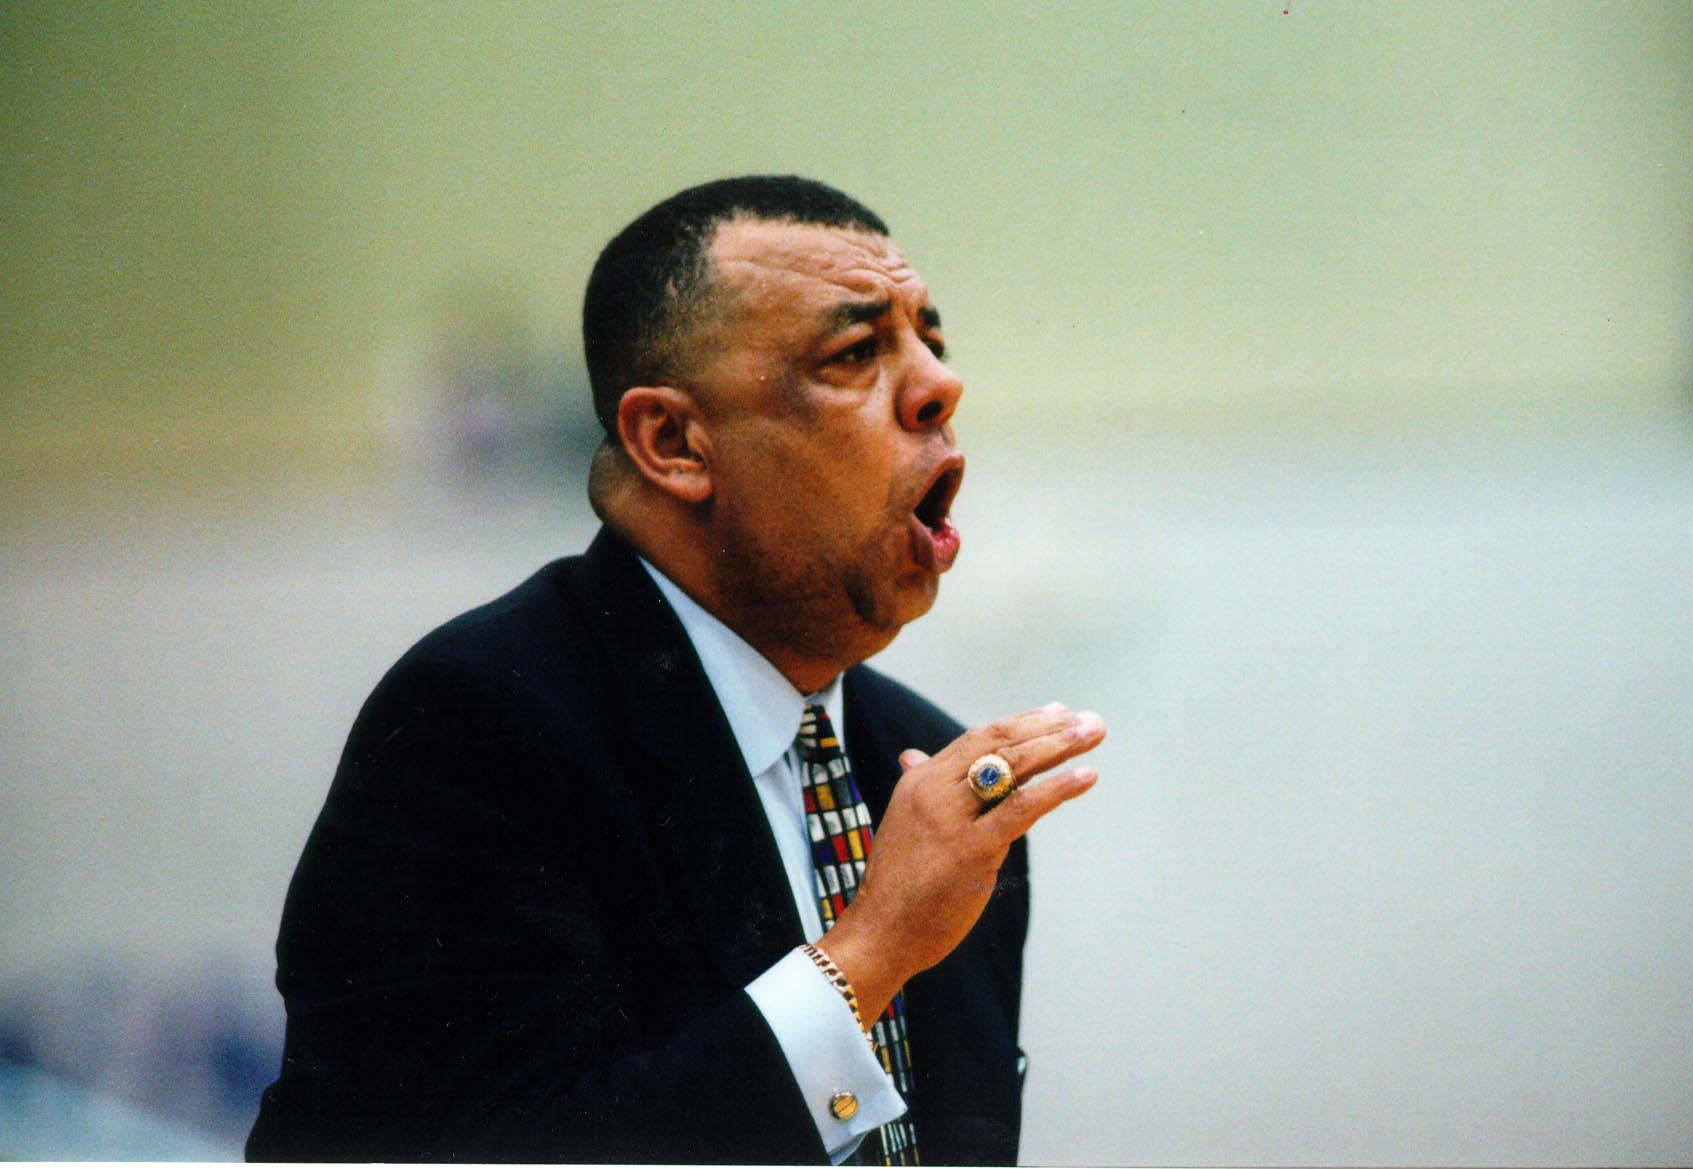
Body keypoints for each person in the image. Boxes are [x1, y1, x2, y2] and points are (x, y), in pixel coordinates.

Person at [246, 176, 1105, 1164]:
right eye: (855, 352)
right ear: (673, 442)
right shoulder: (478, 725)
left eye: (931, 341)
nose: (937, 386)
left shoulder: (927, 773)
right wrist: (869, 952)